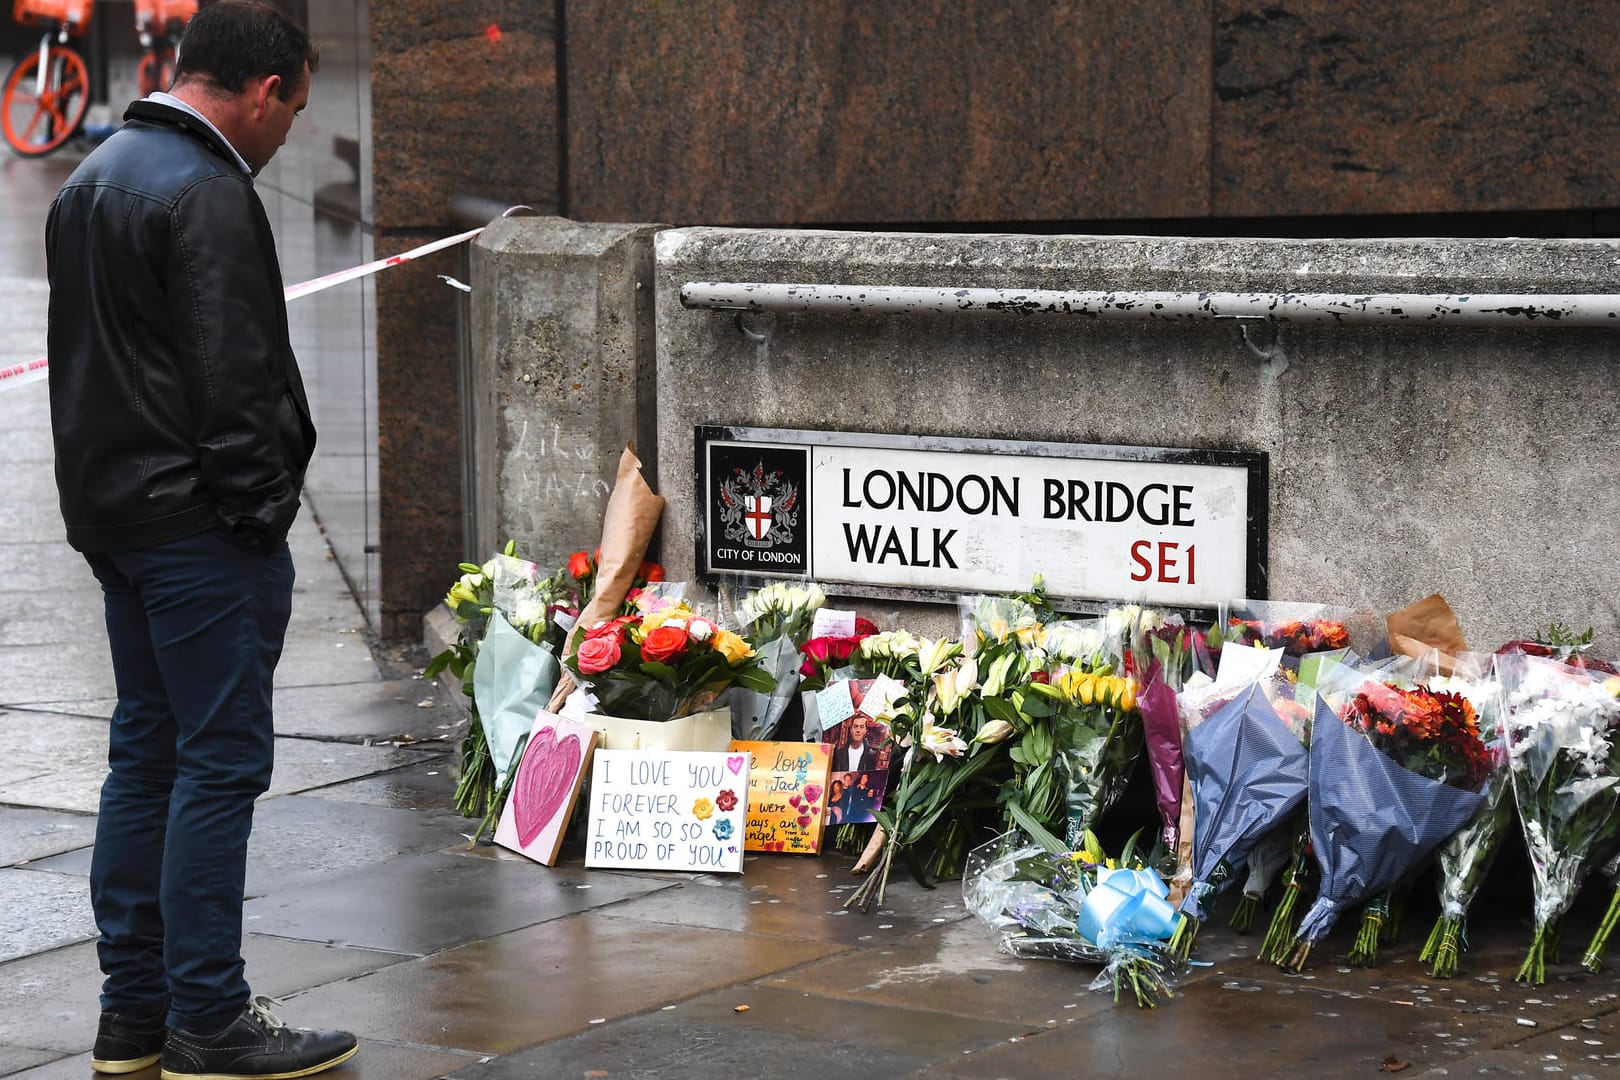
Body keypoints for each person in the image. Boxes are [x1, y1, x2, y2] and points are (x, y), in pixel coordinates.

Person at [46, 3, 356, 1077]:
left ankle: (134, 1015)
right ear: (263, 89)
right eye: (297, 109)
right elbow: (236, 383)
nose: (290, 136)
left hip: (118, 517)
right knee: (217, 766)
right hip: (197, 531)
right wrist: (260, 513)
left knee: (147, 755)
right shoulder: (208, 191)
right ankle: (209, 1019)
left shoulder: (98, 173)